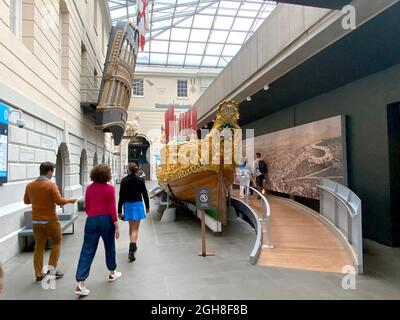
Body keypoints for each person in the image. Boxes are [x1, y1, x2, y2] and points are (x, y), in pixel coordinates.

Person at [23, 162, 77, 282]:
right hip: (50, 220)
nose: (52, 175)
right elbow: (59, 201)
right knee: (56, 242)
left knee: (39, 246)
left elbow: (26, 201)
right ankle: (52, 271)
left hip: (36, 220)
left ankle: (38, 273)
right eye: (52, 172)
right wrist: (70, 200)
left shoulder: (30, 185)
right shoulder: (51, 185)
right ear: (49, 172)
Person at [75, 164, 121, 296]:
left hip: (92, 220)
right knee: (109, 246)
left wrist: (92, 214)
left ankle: (80, 283)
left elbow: (87, 206)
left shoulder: (89, 188)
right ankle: (112, 272)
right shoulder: (109, 188)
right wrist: (116, 225)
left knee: (87, 249)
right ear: (107, 175)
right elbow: (112, 208)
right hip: (106, 220)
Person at [118, 162, 150, 262]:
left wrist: (119, 210)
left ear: (128, 169)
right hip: (137, 205)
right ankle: (132, 249)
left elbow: (121, 196)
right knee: (135, 229)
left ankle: (133, 244)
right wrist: (147, 207)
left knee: (131, 227)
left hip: (128, 206)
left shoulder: (124, 181)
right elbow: (145, 194)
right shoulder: (140, 180)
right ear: (136, 170)